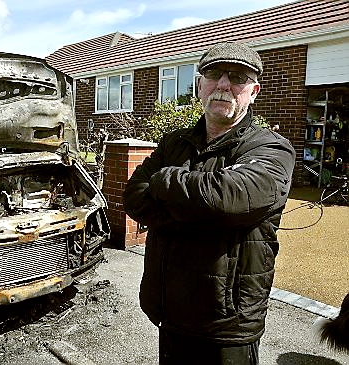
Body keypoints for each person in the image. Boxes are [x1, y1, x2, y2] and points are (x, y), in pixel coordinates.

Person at [123, 42, 296, 364]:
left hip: (227, 320)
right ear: (200, 86)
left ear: (253, 91)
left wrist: (164, 180)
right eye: (214, 74)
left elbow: (230, 199)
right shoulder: (175, 142)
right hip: (168, 306)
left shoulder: (271, 148)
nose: (224, 85)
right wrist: (202, 208)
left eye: (237, 77)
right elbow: (134, 198)